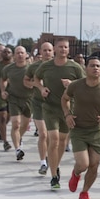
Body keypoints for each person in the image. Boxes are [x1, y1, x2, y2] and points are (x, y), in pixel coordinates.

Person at [61, 56, 100, 199]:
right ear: (86, 69)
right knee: (83, 164)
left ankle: (84, 192)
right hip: (78, 129)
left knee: (94, 164)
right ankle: (76, 173)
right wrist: (67, 115)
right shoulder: (75, 85)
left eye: (98, 66)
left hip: (95, 131)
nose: (96, 68)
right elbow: (64, 99)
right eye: (92, 66)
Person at [32, 38, 85, 189]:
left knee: (62, 141)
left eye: (65, 47)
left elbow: (85, 84)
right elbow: (35, 78)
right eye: (60, 47)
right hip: (49, 108)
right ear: (55, 49)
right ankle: (54, 176)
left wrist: (72, 84)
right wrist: (41, 88)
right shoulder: (46, 66)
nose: (63, 49)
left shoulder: (75, 67)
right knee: (53, 139)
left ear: (69, 50)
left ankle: (56, 165)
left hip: (67, 109)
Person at [25, 41, 54, 174]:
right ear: (40, 52)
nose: (47, 53)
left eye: (49, 50)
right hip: (38, 103)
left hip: (54, 105)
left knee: (52, 136)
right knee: (43, 133)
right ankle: (43, 162)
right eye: (44, 50)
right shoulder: (33, 67)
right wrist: (37, 85)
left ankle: (50, 158)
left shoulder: (58, 66)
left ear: (53, 52)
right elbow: (25, 81)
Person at [0, 45, 33, 159]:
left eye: (22, 53)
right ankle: (18, 149)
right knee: (16, 124)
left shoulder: (31, 68)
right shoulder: (8, 69)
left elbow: (38, 81)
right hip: (13, 98)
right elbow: (3, 80)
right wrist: (3, 90)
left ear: (26, 55)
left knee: (24, 125)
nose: (20, 55)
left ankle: (19, 138)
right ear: (14, 55)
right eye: (17, 53)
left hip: (28, 99)